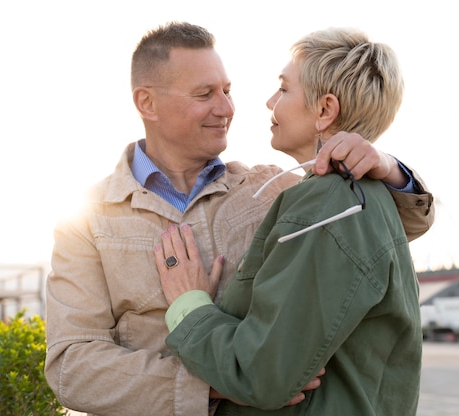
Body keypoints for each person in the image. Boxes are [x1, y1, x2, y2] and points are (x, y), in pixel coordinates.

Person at [44, 22, 434, 416]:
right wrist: (212, 385)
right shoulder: (89, 219)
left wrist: (387, 167)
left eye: (227, 91)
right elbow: (70, 368)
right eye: (205, 94)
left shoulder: (273, 187)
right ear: (147, 103)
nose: (228, 108)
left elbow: (385, 228)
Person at [158, 27, 424, 415]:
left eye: (283, 89)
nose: (270, 102)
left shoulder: (328, 203)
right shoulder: (358, 196)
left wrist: (189, 306)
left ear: (325, 110)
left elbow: (263, 374)